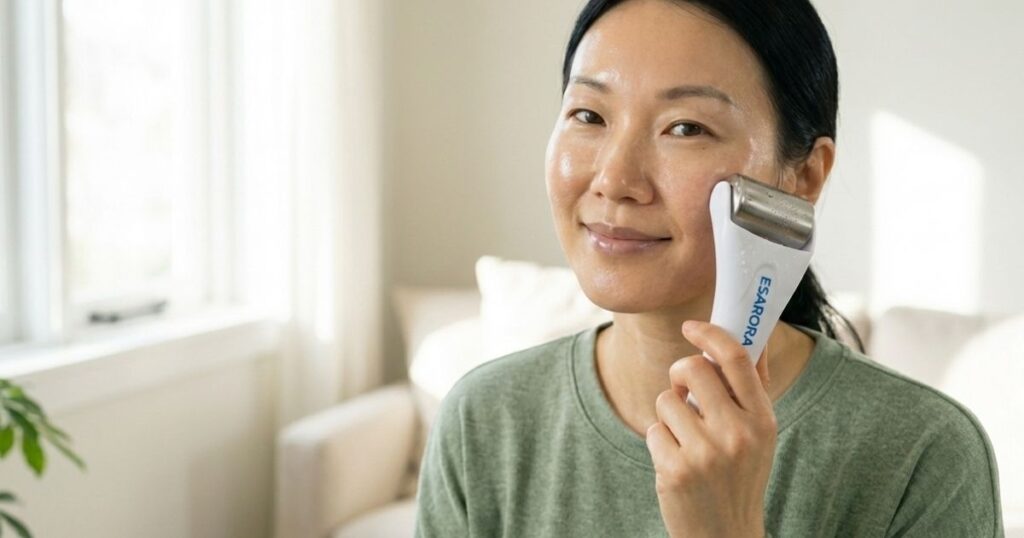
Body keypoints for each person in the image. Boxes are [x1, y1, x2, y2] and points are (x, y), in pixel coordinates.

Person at [414, 0, 1004, 536]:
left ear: (802, 177)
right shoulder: (481, 423)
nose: (615, 180)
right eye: (589, 116)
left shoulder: (924, 453)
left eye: (685, 128)